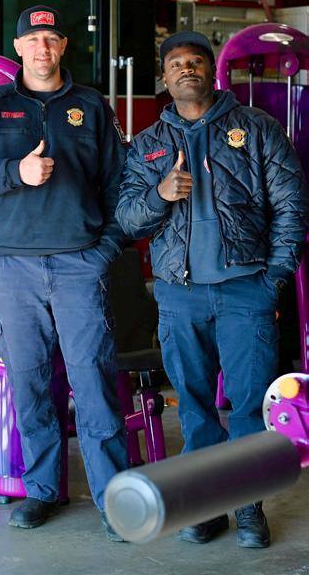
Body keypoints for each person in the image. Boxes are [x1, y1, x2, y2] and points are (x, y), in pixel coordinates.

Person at [116, 31, 309, 548]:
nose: (186, 69)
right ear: (164, 78)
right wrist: (160, 194)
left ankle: (248, 508)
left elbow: (292, 206)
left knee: (248, 408)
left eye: (196, 61)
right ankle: (204, 505)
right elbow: (128, 219)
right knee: (195, 408)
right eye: (176, 63)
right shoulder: (148, 145)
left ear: (211, 71)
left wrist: (273, 279)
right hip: (180, 297)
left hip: (247, 291)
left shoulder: (257, 128)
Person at [0, 6, 128, 538]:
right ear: (18, 47)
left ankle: (113, 498)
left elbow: (120, 184)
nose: (42, 48)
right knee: (28, 383)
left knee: (92, 381)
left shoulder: (91, 106)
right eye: (33, 39)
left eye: (51, 38)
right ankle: (44, 490)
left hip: (78, 264)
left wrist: (104, 249)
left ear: (63, 45)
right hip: (13, 268)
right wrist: (16, 171)